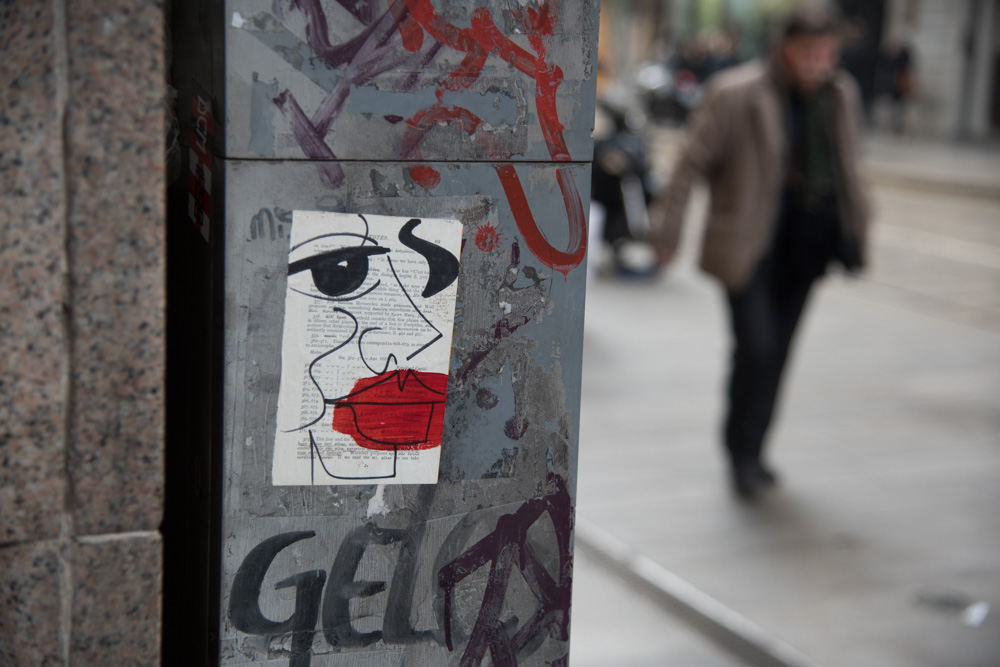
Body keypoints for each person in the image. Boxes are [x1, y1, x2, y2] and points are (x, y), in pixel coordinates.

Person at [649, 5, 871, 498]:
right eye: (808, 52)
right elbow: (689, 165)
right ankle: (739, 451)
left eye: (828, 53)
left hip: (808, 246)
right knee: (756, 347)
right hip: (747, 246)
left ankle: (755, 450)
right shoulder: (736, 92)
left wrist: (858, 230)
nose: (818, 63)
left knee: (779, 354)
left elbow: (850, 168)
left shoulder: (840, 95)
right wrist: (667, 235)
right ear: (783, 48)